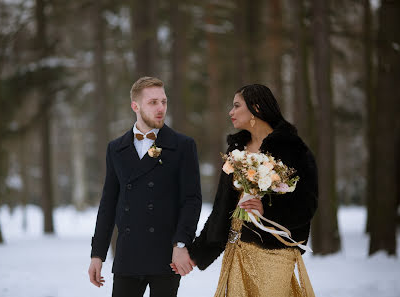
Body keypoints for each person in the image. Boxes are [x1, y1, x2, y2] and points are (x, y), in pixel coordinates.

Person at [185, 84, 317, 296]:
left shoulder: (293, 148)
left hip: (274, 253)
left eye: (237, 106)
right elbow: (222, 207)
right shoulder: (236, 150)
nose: (231, 112)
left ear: (256, 108)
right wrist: (198, 252)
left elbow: (307, 204)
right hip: (237, 249)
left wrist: (268, 210)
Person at [88, 76, 202, 297]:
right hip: (127, 256)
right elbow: (108, 203)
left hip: (167, 257)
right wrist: (97, 254)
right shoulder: (116, 149)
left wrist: (181, 244)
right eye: (153, 102)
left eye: (163, 101)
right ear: (135, 106)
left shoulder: (182, 146)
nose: (161, 108)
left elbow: (192, 200)